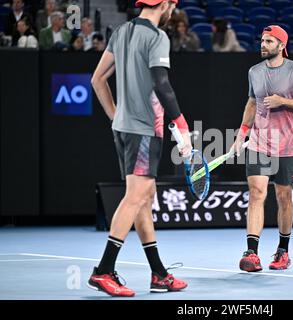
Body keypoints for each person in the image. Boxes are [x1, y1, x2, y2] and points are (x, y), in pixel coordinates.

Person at [89, 0, 191, 297]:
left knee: (145, 197)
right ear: (166, 5)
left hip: (123, 129)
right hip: (144, 131)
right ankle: (103, 271)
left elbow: (97, 80)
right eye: (173, 5)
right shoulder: (158, 37)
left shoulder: (121, 31)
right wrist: (182, 126)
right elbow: (162, 84)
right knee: (136, 197)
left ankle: (158, 273)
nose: (173, 10)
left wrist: (114, 116)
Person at [231, 25, 293, 272]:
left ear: (281, 46)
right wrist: (242, 133)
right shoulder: (254, 72)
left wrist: (283, 101)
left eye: (269, 41)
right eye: (262, 41)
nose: (263, 45)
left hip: (288, 146)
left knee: (284, 197)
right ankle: (251, 253)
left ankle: (283, 251)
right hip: (259, 143)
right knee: (257, 193)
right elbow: (251, 102)